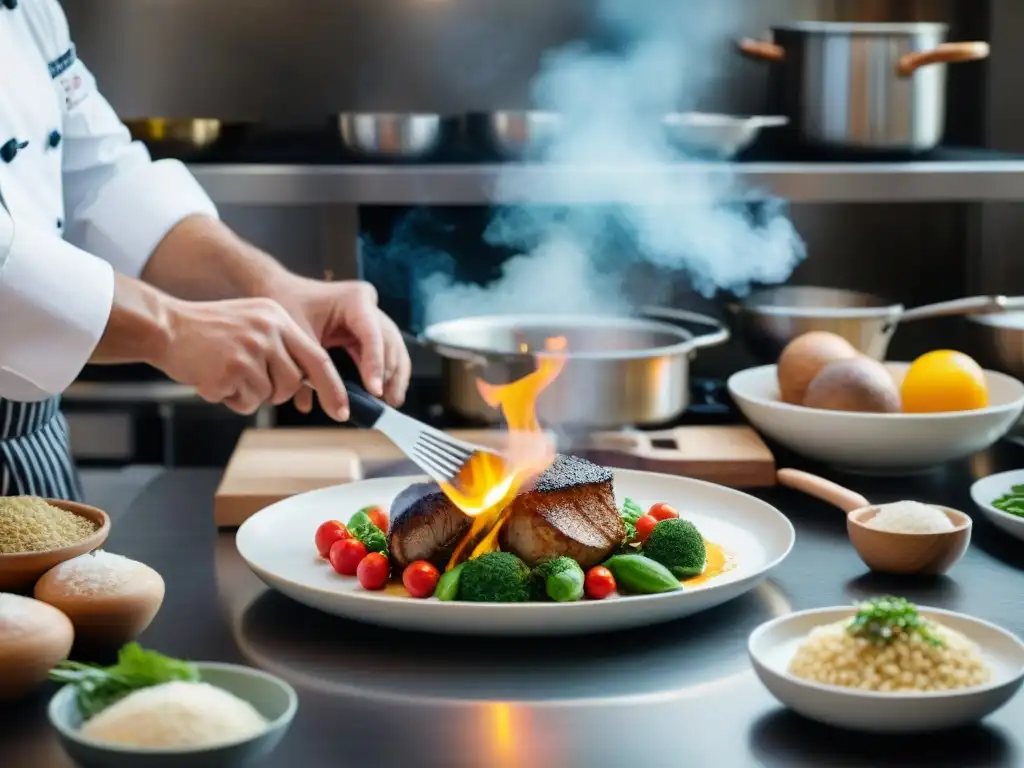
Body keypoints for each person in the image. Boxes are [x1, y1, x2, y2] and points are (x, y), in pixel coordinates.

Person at [0, 0, 411, 500]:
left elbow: (99, 179)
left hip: (32, 448)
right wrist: (170, 328)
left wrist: (269, 286)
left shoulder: (30, 9)